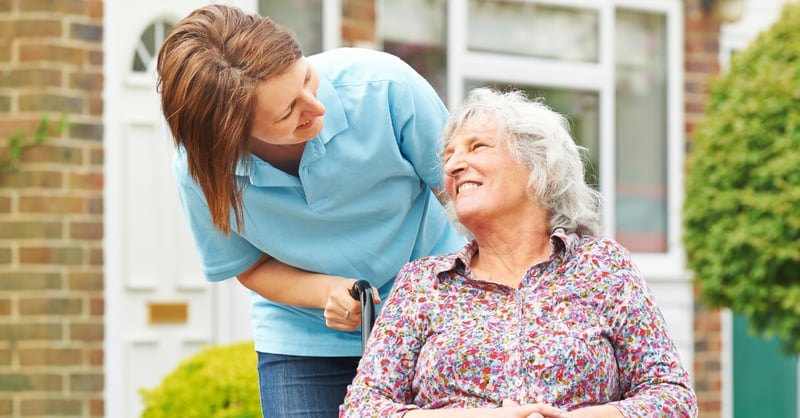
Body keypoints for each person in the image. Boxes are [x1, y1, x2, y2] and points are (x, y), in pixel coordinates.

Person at [155, 4, 465, 418]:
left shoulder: (386, 86)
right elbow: (249, 267)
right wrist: (327, 293)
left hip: (433, 316)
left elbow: (466, 198)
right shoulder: (201, 171)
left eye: (306, 78)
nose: (316, 108)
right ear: (231, 135)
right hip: (304, 340)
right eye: (288, 112)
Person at [340, 87, 698, 418]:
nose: (452, 166)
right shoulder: (423, 283)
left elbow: (673, 398)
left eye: (477, 146)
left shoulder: (602, 266)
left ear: (537, 165)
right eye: (449, 156)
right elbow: (361, 408)